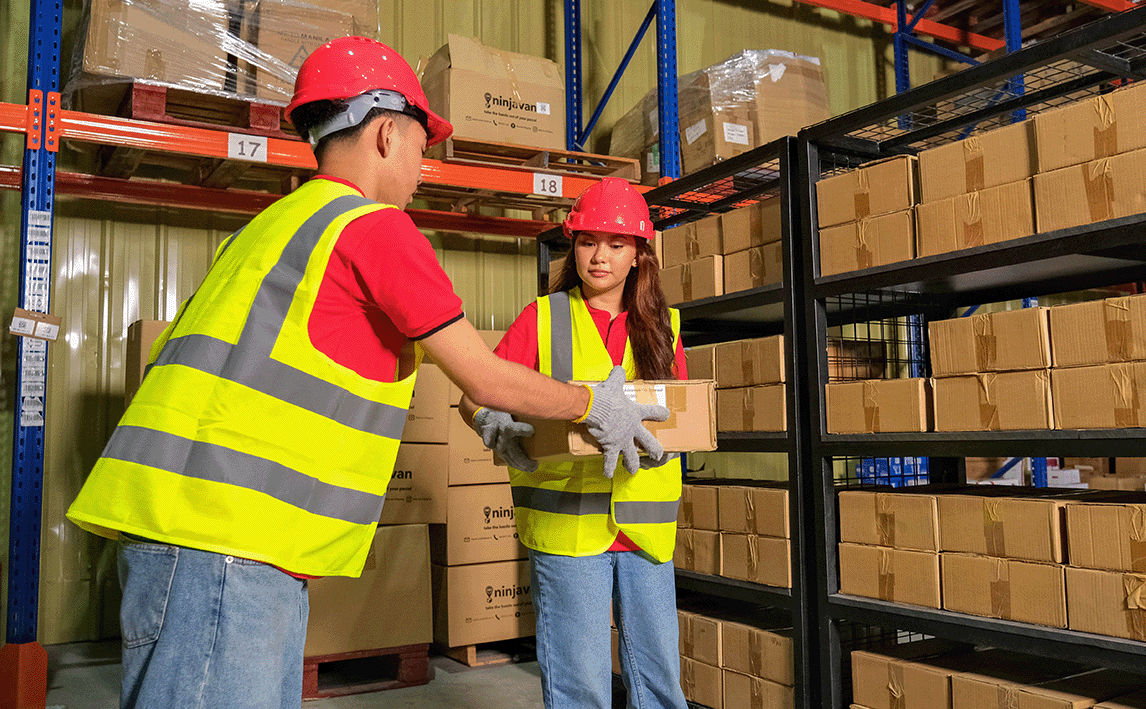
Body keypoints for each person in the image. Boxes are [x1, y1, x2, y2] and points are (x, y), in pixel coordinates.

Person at [65, 37, 668, 709]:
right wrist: (594, 402)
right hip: (227, 546)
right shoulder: (373, 229)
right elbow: (484, 374)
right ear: (385, 134)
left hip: (182, 538)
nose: (422, 170)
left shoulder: (271, 226)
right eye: (420, 149)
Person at [461, 176, 690, 709]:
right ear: (573, 247)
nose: (599, 257)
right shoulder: (541, 318)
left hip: (645, 534)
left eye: (616, 244)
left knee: (661, 686)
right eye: (587, 241)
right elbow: (477, 393)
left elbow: (683, 419)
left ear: (639, 255)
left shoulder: (664, 328)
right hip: (568, 532)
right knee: (578, 688)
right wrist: (489, 420)